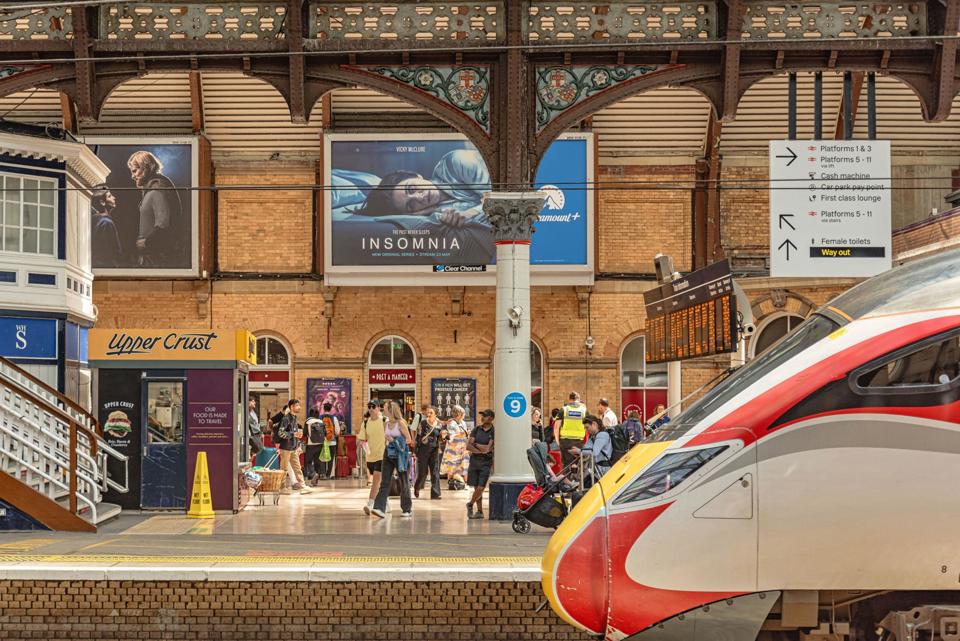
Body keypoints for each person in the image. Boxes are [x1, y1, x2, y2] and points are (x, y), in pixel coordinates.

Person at [127, 150, 184, 268]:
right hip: (152, 257)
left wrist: (146, 243)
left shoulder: (157, 190)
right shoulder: (153, 189)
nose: (133, 176)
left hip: (155, 259)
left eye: (135, 171)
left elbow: (163, 226)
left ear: (146, 168)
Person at [371, 401, 414, 519]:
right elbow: (386, 439)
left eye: (384, 407)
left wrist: (394, 440)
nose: (382, 409)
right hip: (388, 454)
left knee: (403, 482)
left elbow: (409, 440)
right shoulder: (385, 423)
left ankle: (407, 509)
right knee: (384, 482)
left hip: (400, 455)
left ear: (390, 409)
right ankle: (379, 508)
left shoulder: (401, 423)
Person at [358, 400, 386, 515]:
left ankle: (370, 504)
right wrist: (361, 443)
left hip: (383, 455)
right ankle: (386, 503)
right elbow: (361, 438)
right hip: (370, 457)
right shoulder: (365, 423)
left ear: (379, 408)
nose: (370, 409)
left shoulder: (384, 421)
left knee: (376, 481)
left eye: (373, 406)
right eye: (369, 406)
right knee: (380, 482)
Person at [466, 409, 495, 520]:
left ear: (491, 418)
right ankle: (480, 511)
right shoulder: (476, 429)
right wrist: (480, 449)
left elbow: (488, 449)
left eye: (485, 416)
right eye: (482, 415)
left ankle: (470, 504)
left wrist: (476, 445)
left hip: (486, 462)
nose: (482, 418)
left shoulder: (493, 431)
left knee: (481, 487)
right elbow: (468, 446)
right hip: (474, 461)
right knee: (476, 487)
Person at [278, 399, 311, 494]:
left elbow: (294, 432)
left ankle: (303, 486)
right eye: (297, 405)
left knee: (298, 468)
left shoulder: (294, 418)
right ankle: (282, 487)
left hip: (293, 447)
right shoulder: (286, 419)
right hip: (285, 448)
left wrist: (297, 442)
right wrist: (293, 434)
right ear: (291, 407)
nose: (299, 407)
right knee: (283, 469)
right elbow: (281, 433)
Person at [413, 406, 444, 500]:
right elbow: (418, 437)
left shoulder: (439, 425)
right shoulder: (422, 423)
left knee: (435, 472)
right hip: (423, 450)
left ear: (436, 415)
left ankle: (435, 493)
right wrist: (416, 451)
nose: (428, 414)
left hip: (434, 450)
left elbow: (440, 438)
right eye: (428, 412)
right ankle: (417, 487)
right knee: (423, 472)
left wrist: (443, 437)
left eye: (431, 413)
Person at [571, 415, 612, 486]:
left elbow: (594, 452)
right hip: (595, 469)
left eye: (587, 427)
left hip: (603, 469)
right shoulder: (592, 436)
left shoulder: (602, 435)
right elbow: (586, 448)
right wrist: (579, 452)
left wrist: (579, 451)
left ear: (594, 424)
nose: (586, 430)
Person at [90, 184, 123, 268]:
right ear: (102, 202)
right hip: (107, 266)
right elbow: (111, 252)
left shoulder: (95, 220)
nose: (114, 198)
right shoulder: (106, 223)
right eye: (109, 196)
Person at [440, 405, 469, 490]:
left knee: (463, 465)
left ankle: (464, 483)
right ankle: (451, 483)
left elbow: (465, 433)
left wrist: (466, 434)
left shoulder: (463, 422)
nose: (464, 415)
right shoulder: (451, 423)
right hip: (453, 448)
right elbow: (451, 435)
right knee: (451, 466)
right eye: (463, 413)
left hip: (462, 447)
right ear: (458, 414)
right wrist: (462, 434)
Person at [557, 391, 587, 468]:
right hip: (579, 442)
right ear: (579, 399)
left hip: (565, 441)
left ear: (569, 399)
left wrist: (558, 441)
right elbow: (589, 426)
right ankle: (578, 480)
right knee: (579, 464)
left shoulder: (564, 409)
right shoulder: (584, 410)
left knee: (567, 465)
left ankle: (567, 480)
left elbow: (556, 427)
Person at [319, 402, 340, 479]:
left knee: (323, 457)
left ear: (324, 409)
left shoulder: (320, 418)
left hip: (323, 441)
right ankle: (330, 475)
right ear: (331, 409)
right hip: (332, 441)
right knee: (331, 458)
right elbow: (337, 431)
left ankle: (323, 474)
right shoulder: (334, 418)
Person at [303, 408, 325, 485]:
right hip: (320, 443)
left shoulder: (308, 421)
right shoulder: (321, 421)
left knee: (308, 460)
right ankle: (316, 479)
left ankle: (312, 473)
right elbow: (324, 432)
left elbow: (304, 433)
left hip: (311, 443)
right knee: (317, 461)